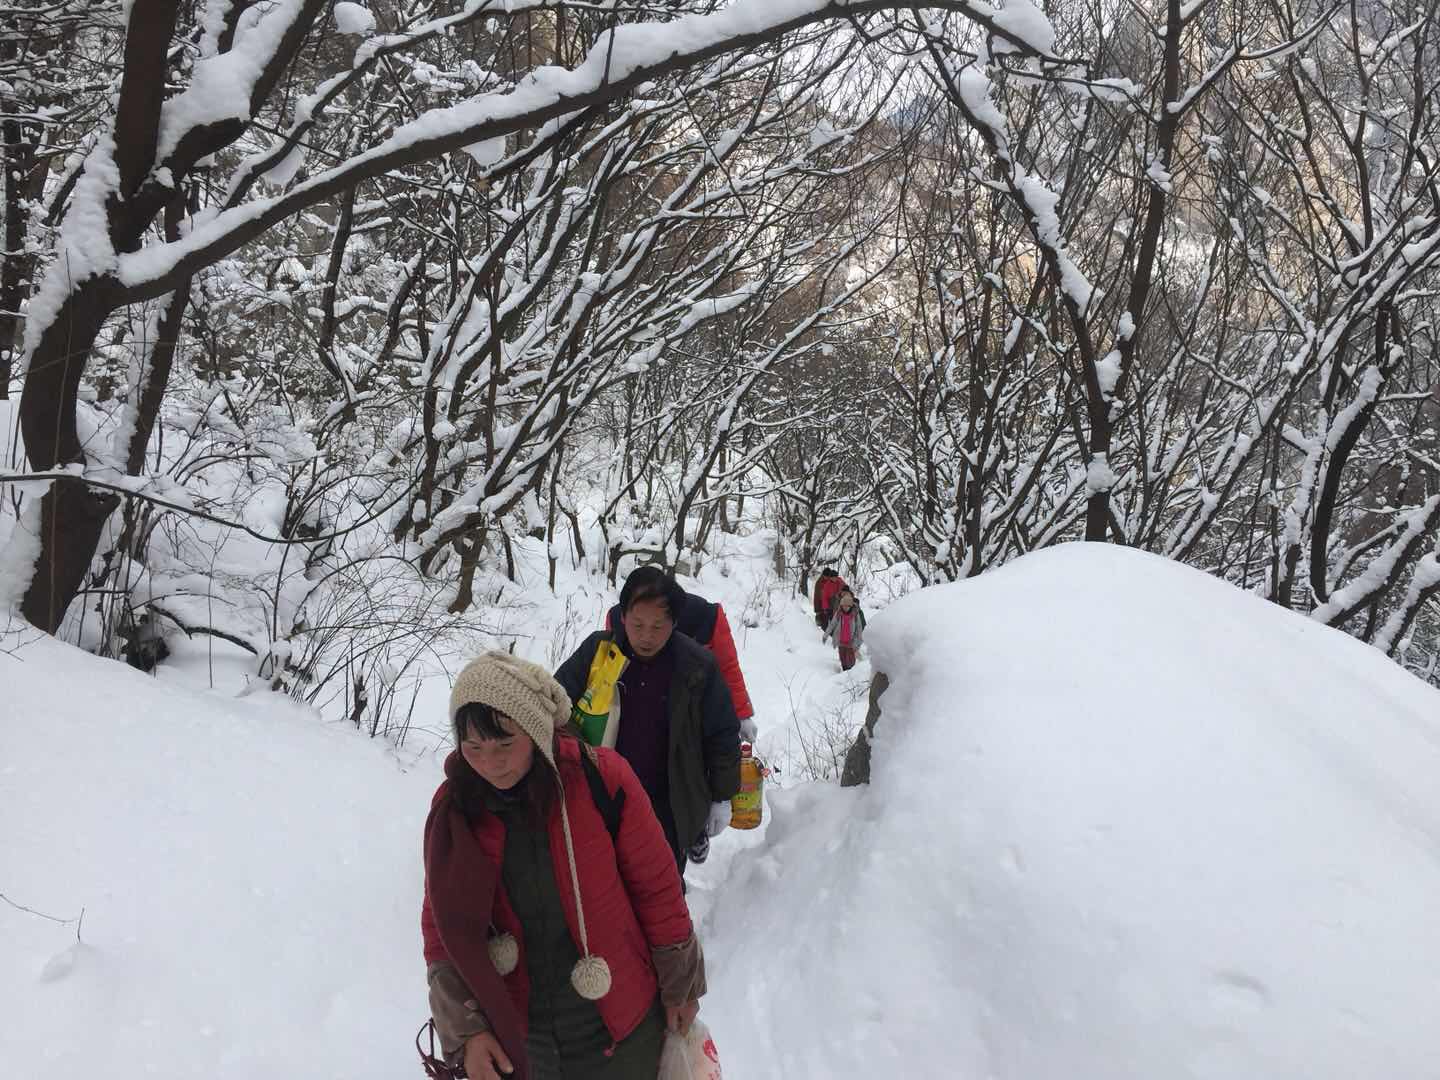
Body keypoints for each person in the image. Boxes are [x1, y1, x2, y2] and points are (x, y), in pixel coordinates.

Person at [421, 651, 706, 1080]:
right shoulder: (456, 811)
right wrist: (467, 1031)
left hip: (620, 1028)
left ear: (535, 732)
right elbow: (443, 932)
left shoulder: (601, 781)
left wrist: (681, 988)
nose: (489, 763)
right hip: (519, 1036)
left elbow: (657, 889)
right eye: (473, 747)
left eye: (504, 743)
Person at [556, 566, 741, 876]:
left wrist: (722, 795)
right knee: (606, 879)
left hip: (669, 798)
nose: (646, 636)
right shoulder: (599, 651)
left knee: (662, 880)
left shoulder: (697, 665)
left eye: (658, 626)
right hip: (606, 794)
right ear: (623, 616)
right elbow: (556, 700)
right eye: (638, 624)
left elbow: (721, 733)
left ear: (674, 622)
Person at [602, 579, 758, 743]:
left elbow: (728, 668)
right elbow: (608, 676)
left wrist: (742, 715)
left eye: (658, 626)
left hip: (693, 711)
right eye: (638, 625)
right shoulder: (616, 621)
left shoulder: (707, 618)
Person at [825, 588, 866, 671]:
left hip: (851, 641)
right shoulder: (839, 613)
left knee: (850, 659)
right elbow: (832, 624)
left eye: (847, 606)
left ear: (851, 606)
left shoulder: (855, 614)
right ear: (841, 605)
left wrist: (859, 640)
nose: (845, 608)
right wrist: (826, 634)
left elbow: (859, 628)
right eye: (843, 606)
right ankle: (844, 670)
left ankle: (850, 672)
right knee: (843, 657)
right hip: (841, 641)